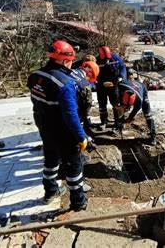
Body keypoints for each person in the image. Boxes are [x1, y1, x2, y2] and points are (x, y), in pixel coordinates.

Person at [27, 40, 88, 210]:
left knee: (51, 158)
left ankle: (50, 191)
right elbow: (70, 113)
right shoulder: (64, 83)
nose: (70, 64)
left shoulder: (35, 76)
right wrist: (81, 136)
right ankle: (78, 201)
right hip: (62, 131)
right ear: (63, 60)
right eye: (69, 61)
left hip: (44, 126)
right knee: (73, 165)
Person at [116, 69, 156, 145]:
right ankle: (119, 126)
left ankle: (153, 136)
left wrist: (130, 117)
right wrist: (118, 104)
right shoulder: (121, 85)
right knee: (119, 109)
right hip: (128, 89)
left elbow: (136, 109)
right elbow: (116, 92)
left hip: (142, 91)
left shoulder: (139, 100)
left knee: (148, 115)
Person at [96, 45, 126, 128]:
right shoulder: (97, 61)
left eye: (108, 59)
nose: (106, 61)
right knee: (102, 105)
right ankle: (104, 122)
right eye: (104, 59)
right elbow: (92, 73)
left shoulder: (116, 58)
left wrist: (121, 76)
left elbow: (123, 67)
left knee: (116, 104)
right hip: (101, 85)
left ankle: (118, 122)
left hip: (114, 84)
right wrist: (94, 81)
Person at [70, 60, 100, 137]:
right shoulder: (85, 84)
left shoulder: (71, 70)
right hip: (73, 106)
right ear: (90, 74)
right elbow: (87, 102)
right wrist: (85, 115)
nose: (89, 80)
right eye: (90, 78)